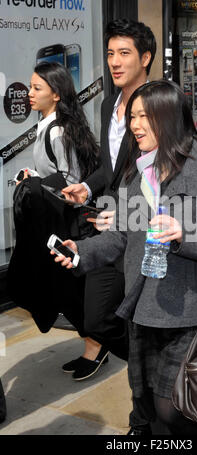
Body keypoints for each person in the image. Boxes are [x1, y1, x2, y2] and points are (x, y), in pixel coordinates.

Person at [52, 80, 197, 435]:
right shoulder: (138, 171)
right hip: (140, 306)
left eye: (144, 116)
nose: (135, 125)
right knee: (146, 406)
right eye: (133, 116)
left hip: (190, 313)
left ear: (169, 118)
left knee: (173, 409)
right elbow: (122, 234)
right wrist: (83, 251)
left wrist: (185, 235)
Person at [62, 19, 157, 434]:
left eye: (124, 54)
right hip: (106, 226)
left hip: (148, 233)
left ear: (146, 58)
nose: (114, 62)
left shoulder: (162, 103)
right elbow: (108, 167)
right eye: (111, 53)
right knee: (99, 319)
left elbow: (168, 173)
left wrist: (129, 212)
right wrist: (86, 186)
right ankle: (153, 380)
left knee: (148, 325)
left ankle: (151, 411)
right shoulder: (107, 104)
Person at [8, 61, 101, 372]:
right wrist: (33, 176)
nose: (29, 93)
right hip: (59, 223)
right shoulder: (48, 125)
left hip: (67, 226)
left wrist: (33, 185)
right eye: (31, 86)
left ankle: (97, 346)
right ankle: (95, 345)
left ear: (56, 94)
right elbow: (56, 175)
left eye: (37, 88)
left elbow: (71, 182)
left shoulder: (58, 131)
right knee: (66, 290)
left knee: (69, 289)